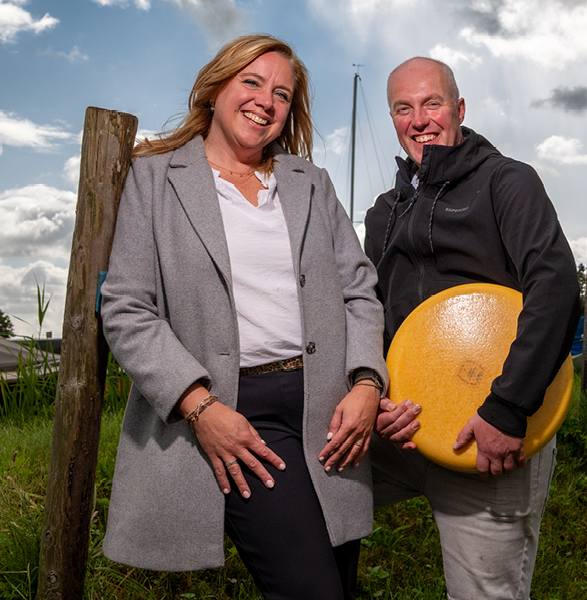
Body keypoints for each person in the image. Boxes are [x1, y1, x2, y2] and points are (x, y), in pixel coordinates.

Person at [99, 34, 386, 600]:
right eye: (251, 82)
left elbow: (359, 290)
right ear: (215, 87)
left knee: (342, 585)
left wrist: (368, 382)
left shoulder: (311, 184)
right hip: (237, 414)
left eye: (282, 93)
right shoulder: (155, 179)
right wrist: (200, 406)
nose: (266, 101)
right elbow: (127, 308)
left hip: (327, 413)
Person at [362, 57, 580, 599]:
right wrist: (373, 392)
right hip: (404, 428)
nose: (419, 119)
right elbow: (369, 311)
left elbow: (555, 287)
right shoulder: (383, 211)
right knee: (310, 489)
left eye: (431, 103)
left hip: (490, 434)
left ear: (459, 109)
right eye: (402, 108)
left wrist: (507, 409)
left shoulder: (507, 182)